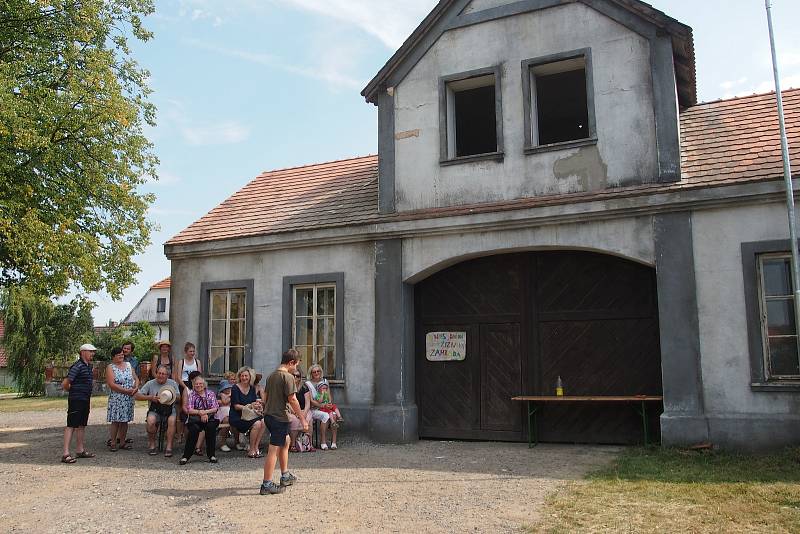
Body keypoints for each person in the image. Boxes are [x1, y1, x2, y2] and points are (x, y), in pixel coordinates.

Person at [260, 348, 307, 495]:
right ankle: (266, 484)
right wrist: (302, 418)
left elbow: (265, 397)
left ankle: (285, 476)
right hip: (279, 418)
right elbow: (293, 399)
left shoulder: (271, 376)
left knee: (286, 441)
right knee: (273, 450)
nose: (296, 367)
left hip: (270, 416)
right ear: (291, 362)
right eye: (297, 364)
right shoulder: (287, 377)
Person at [61, 343, 97, 463]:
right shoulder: (77, 366)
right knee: (71, 425)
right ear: (83, 352)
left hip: (85, 399)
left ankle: (80, 450)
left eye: (93, 352)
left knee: (82, 425)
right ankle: (65, 453)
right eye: (90, 351)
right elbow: (66, 383)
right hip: (76, 399)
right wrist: (73, 390)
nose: (92, 354)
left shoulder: (88, 366)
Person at [135, 365, 180, 457]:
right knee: (151, 421)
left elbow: (179, 397)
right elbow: (137, 396)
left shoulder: (172, 383)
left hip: (169, 409)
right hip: (155, 409)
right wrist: (150, 397)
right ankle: (152, 444)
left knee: (172, 421)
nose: (161, 375)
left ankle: (169, 446)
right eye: (159, 373)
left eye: (163, 374)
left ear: (167, 375)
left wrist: (171, 397)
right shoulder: (150, 383)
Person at [180, 373, 219, 465]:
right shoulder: (192, 395)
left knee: (211, 428)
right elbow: (189, 409)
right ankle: (186, 456)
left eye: (200, 383)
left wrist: (204, 412)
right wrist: (199, 413)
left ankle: (211, 455)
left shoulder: (210, 393)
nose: (198, 385)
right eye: (196, 384)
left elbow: (215, 408)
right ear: (193, 385)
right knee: (194, 430)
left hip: (209, 417)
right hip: (195, 418)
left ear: (204, 384)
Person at [106, 346, 139, 451]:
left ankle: (123, 442)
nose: (121, 356)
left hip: (128, 398)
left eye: (122, 354)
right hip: (117, 398)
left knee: (125, 421)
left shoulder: (128, 365)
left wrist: (136, 387)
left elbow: (136, 378)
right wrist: (126, 391)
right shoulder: (110, 367)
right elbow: (112, 384)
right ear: (113, 357)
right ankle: (113, 442)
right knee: (116, 420)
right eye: (118, 355)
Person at [230, 366, 267, 458]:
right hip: (238, 416)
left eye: (246, 376)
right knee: (257, 424)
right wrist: (250, 406)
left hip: (250, 414)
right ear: (239, 377)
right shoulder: (235, 388)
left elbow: (253, 401)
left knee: (264, 421)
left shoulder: (252, 388)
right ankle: (251, 450)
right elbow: (236, 406)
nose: (244, 378)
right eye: (242, 376)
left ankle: (255, 447)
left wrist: (257, 405)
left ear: (250, 377)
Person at [306, 364, 342, 450]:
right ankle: (323, 441)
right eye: (314, 372)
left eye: (318, 371)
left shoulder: (325, 381)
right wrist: (322, 405)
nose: (316, 373)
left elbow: (329, 396)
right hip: (313, 409)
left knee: (334, 414)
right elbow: (311, 400)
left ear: (321, 372)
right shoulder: (308, 384)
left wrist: (329, 403)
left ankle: (333, 442)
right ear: (311, 373)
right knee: (325, 416)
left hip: (325, 407)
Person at [288, 368, 313, 452]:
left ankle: (309, 443)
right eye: (293, 375)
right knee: (295, 420)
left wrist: (304, 413)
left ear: (300, 377)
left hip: (303, 410)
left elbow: (308, 403)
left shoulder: (304, 387)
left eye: (297, 376)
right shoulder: (287, 387)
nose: (295, 377)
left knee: (309, 419)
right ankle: (293, 444)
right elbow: (287, 402)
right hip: (291, 411)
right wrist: (296, 412)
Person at [215, 379, 234, 452]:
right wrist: (230, 396)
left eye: (229, 388)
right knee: (226, 420)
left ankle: (239, 441)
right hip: (222, 413)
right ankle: (223, 442)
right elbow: (225, 402)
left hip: (229, 412)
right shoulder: (221, 395)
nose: (228, 390)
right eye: (226, 388)